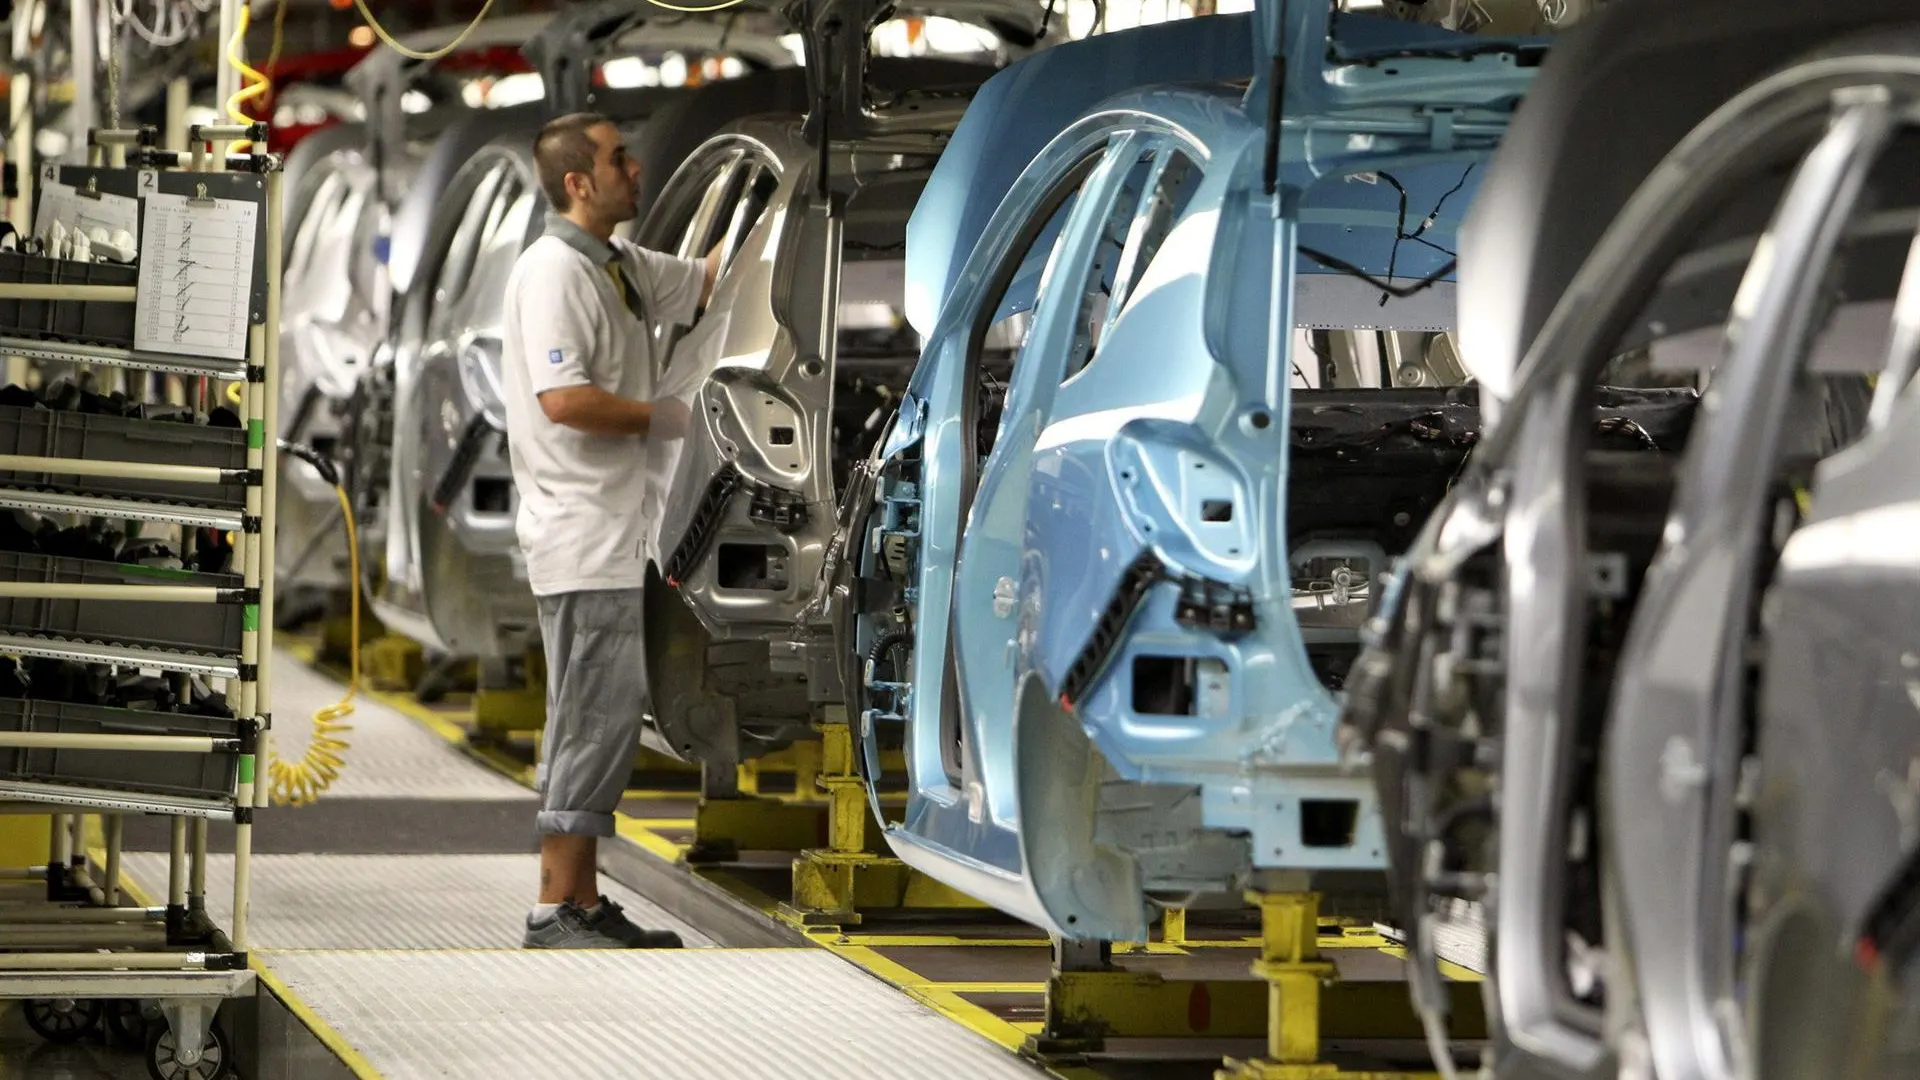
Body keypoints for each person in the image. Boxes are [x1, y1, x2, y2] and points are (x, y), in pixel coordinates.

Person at [499, 112, 720, 949]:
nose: (635, 167)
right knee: (590, 719)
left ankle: (583, 901)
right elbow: (567, 401)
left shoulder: (619, 266)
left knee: (603, 716)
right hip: (583, 535)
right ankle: (556, 905)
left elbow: (704, 281)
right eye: (617, 157)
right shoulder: (552, 273)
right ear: (577, 185)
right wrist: (667, 418)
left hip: (616, 533)